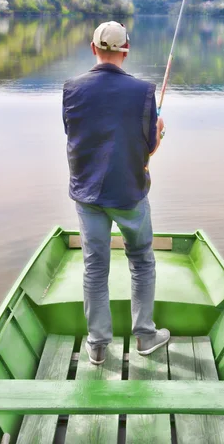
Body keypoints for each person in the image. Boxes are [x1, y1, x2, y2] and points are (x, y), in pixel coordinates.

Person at [63, 20, 169, 365]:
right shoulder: (144, 92)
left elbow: (75, 135)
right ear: (126, 50)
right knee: (141, 260)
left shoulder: (72, 88)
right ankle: (145, 336)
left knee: (95, 267)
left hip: (87, 194)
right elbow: (148, 147)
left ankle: (96, 345)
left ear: (93, 48)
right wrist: (159, 132)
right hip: (128, 194)